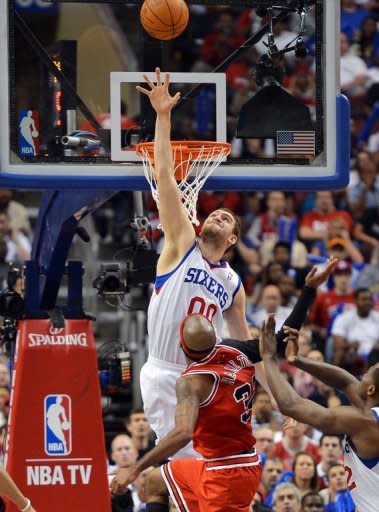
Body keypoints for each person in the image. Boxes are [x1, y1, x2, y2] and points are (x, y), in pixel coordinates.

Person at [135, 68, 336, 458]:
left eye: (227, 219)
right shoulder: (181, 244)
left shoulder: (232, 284)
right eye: (215, 214)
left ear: (232, 241)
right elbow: (164, 178)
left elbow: (251, 347)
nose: (217, 216)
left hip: (203, 376)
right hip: (163, 373)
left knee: (210, 467)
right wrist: (162, 116)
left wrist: (278, 400)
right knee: (183, 469)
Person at [111, 314, 264, 510]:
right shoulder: (235, 350)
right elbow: (280, 341)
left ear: (182, 347)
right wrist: (308, 291)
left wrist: (134, 469)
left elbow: (183, 433)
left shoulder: (191, 382)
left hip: (226, 474)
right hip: (226, 463)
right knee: (154, 482)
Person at [259, 315, 379, 512]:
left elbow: (291, 405)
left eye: (365, 376)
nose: (360, 378)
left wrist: (270, 358)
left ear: (371, 390)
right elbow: (345, 382)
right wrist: (297, 360)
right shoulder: (370, 411)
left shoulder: (364, 421)